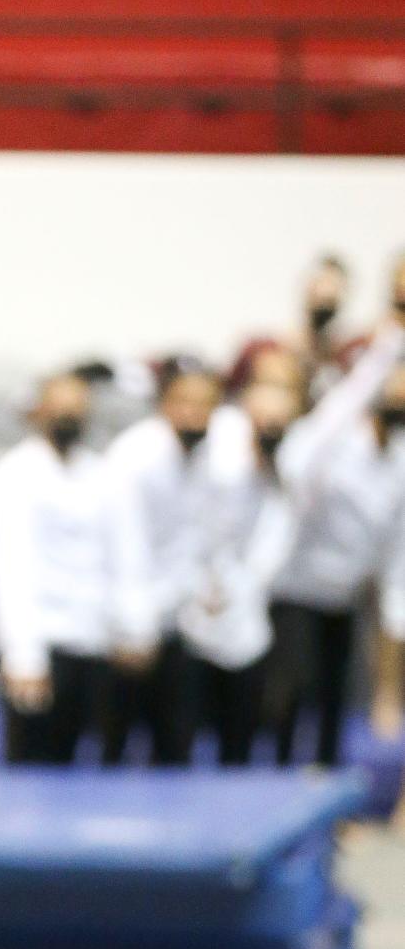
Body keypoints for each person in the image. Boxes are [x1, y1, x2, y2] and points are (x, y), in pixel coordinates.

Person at [267, 316, 405, 767]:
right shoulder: (331, 444)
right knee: (292, 697)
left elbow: (395, 558)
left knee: (331, 706)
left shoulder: (401, 462)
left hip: (343, 602)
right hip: (297, 593)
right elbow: (302, 452)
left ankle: (323, 801)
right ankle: (277, 788)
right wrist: (382, 354)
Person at [0, 372, 112, 764]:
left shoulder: (99, 473)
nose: (69, 418)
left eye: (77, 410)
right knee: (33, 770)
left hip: (90, 643)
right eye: (60, 409)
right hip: (39, 645)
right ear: (37, 412)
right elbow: (10, 569)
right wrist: (23, 655)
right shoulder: (13, 476)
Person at [101, 361, 225, 766]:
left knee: (175, 746)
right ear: (164, 405)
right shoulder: (136, 457)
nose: (195, 412)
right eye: (185, 402)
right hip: (131, 627)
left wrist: (205, 585)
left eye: (206, 403)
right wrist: (136, 628)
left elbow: (193, 534)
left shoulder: (204, 453)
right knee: (115, 747)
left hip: (176, 622)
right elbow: (125, 546)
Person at [180, 380, 300, 764]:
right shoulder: (216, 462)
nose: (271, 429)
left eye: (281, 423)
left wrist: (242, 588)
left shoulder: (285, 473)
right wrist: (204, 584)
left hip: (246, 619)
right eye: (265, 420)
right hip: (192, 609)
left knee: (241, 732)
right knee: (179, 732)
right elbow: (192, 528)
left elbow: (272, 547)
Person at [227, 253, 356, 404]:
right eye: (320, 285)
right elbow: (229, 393)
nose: (325, 296)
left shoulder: (342, 358)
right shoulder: (260, 349)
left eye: (334, 292)